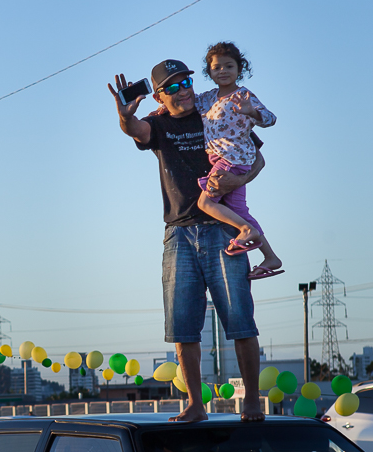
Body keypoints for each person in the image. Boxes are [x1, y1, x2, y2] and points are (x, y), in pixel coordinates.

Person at [110, 59, 264, 423]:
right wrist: (123, 115)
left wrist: (236, 182)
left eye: (187, 82)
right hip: (178, 232)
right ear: (161, 95)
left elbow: (257, 158)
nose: (184, 91)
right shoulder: (158, 123)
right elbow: (135, 129)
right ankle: (196, 404)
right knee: (183, 326)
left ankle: (253, 401)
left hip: (223, 228)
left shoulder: (216, 112)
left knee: (240, 319)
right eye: (174, 87)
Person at [192, 42, 283, 280]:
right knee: (239, 210)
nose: (223, 71)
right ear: (209, 72)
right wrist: (161, 108)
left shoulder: (243, 95)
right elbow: (187, 105)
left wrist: (251, 112)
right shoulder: (206, 98)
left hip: (233, 158)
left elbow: (271, 119)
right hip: (221, 160)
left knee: (206, 203)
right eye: (216, 67)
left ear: (239, 69)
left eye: (229, 66)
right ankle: (270, 257)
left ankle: (246, 230)